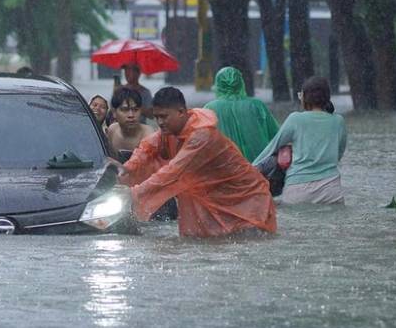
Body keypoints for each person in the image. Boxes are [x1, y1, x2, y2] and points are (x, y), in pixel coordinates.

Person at [116, 86, 277, 237]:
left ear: (181, 112)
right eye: (156, 117)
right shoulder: (169, 130)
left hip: (245, 201)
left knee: (245, 247)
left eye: (164, 116)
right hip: (212, 200)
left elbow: (173, 171)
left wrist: (134, 193)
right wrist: (126, 169)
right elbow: (147, 148)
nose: (160, 122)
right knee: (207, 246)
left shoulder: (202, 135)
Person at [253, 76, 346, 205]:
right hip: (331, 191)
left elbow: (271, 148)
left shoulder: (295, 119)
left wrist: (249, 169)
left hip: (298, 191)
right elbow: (338, 154)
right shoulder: (338, 121)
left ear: (305, 98)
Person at [203, 66, 279, 161]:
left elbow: (203, 142)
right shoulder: (256, 105)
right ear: (241, 83)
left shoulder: (209, 109)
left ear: (218, 85)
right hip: (259, 166)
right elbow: (276, 135)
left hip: (225, 166)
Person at [106, 87, 155, 161]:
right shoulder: (112, 130)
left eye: (135, 110)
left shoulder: (149, 134)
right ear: (114, 112)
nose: (131, 115)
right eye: (125, 110)